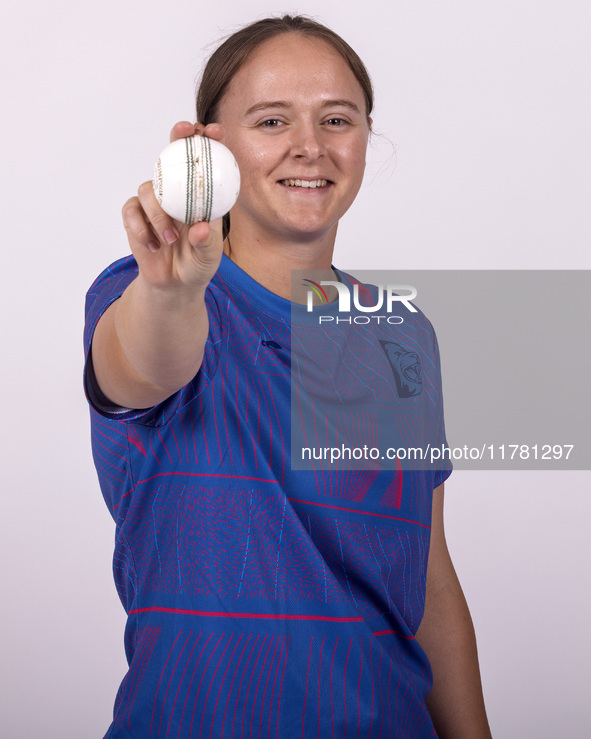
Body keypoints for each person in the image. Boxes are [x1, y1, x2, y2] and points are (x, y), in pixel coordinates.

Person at [85, 15, 492, 738]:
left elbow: (423, 578)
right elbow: (144, 363)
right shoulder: (141, 294)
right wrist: (172, 293)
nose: (310, 145)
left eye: (337, 119)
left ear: (365, 136)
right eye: (271, 120)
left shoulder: (400, 333)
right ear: (214, 147)